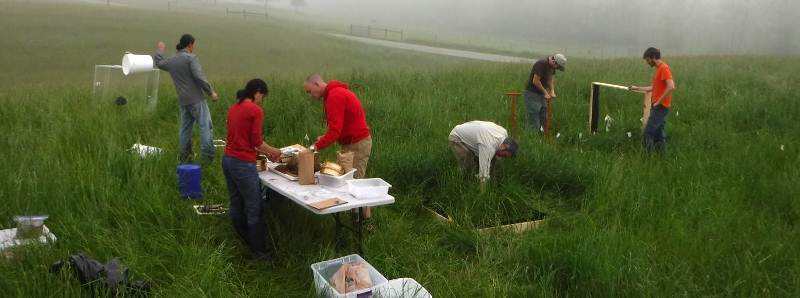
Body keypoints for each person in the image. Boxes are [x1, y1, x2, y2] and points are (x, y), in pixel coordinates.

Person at [222, 79, 281, 260]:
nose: (261, 100)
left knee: (236, 202)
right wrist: (274, 151)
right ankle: (260, 251)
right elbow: (256, 141)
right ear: (257, 92)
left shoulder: (233, 108)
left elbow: (232, 136)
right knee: (254, 206)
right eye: (262, 96)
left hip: (227, 160)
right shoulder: (255, 110)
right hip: (242, 164)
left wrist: (260, 150)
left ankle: (243, 239)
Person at [303, 74, 373, 217]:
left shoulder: (335, 96)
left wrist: (313, 147)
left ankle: (364, 224)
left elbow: (334, 131)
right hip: (350, 142)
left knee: (355, 184)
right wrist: (325, 137)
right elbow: (340, 127)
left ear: (317, 84)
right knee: (348, 182)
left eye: (310, 91)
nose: (311, 95)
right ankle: (356, 217)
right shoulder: (335, 93)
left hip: (357, 144)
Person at [153, 34, 219, 162]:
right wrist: (211, 92)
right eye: (193, 45)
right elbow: (198, 77)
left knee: (185, 130)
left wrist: (160, 49)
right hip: (196, 99)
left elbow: (159, 63)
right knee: (205, 127)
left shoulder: (172, 60)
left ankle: (185, 156)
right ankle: (208, 158)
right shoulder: (191, 58)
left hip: (183, 101)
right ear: (189, 44)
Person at [629, 47, 676, 153]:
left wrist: (658, 102)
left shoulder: (664, 68)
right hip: (658, 106)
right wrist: (637, 88)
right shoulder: (658, 69)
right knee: (659, 134)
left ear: (653, 57)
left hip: (660, 107)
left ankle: (649, 157)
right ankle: (662, 156)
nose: (647, 62)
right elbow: (653, 88)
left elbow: (671, 86)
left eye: (647, 60)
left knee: (648, 133)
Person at [448, 121, 518, 187]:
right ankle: (462, 181)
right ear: (504, 146)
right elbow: (483, 176)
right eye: (504, 155)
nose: (502, 157)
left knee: (492, 160)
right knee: (468, 165)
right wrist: (484, 193)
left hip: (476, 137)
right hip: (457, 137)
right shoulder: (488, 146)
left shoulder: (504, 133)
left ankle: (493, 183)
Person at [524, 53, 566, 133]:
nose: (556, 69)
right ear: (554, 62)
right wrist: (545, 93)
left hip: (542, 94)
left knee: (544, 118)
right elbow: (535, 81)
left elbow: (550, 79)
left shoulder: (552, 67)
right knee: (534, 119)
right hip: (532, 94)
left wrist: (552, 91)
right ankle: (531, 138)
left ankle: (542, 137)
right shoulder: (541, 64)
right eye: (557, 67)